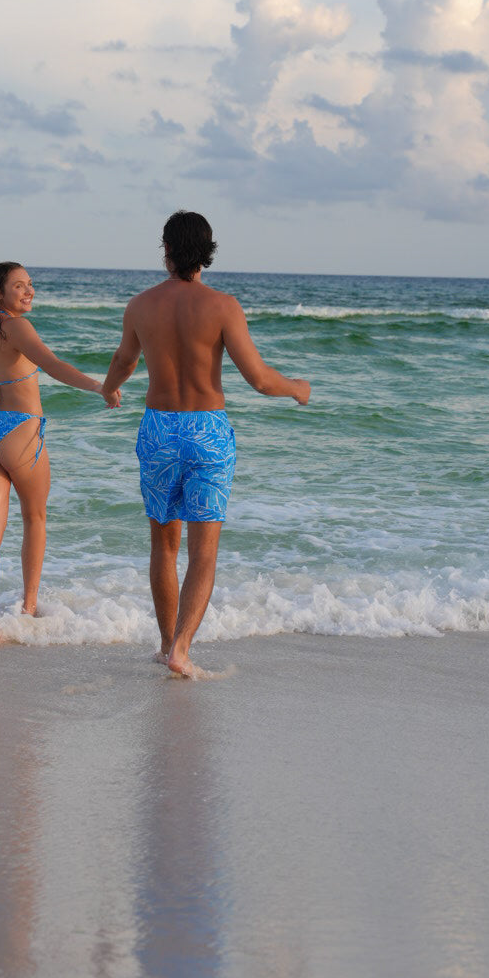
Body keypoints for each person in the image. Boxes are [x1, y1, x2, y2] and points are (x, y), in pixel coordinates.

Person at [102, 212, 310, 679]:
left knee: (164, 545)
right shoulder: (223, 306)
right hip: (207, 432)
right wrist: (297, 388)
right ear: (209, 251)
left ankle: (165, 645)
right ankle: (182, 648)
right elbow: (259, 379)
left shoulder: (140, 305)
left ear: (166, 250)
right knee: (204, 551)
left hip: (159, 429)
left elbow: (123, 360)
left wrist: (109, 389)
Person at [0, 261, 117, 648]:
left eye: (30, 284)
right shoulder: (17, 327)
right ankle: (29, 608)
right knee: (34, 518)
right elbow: (53, 365)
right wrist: (99, 387)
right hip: (20, 431)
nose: (29, 291)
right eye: (19, 286)